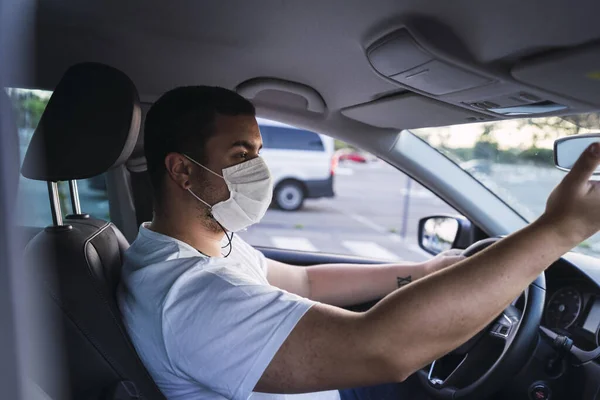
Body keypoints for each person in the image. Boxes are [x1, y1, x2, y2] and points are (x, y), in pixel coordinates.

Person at [118, 86, 600, 400]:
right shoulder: (189, 295)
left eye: (258, 153)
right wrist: (558, 231)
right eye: (241, 155)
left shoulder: (195, 248)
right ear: (182, 170)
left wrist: (425, 272)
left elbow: (302, 279)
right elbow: (383, 349)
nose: (259, 170)